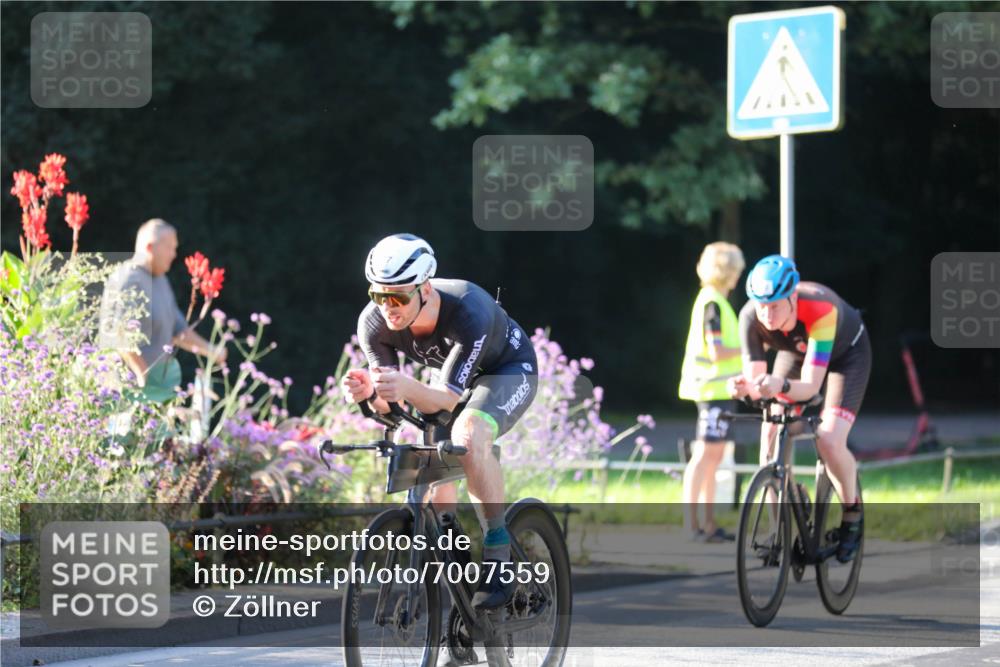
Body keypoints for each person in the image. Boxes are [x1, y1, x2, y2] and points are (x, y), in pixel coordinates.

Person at [341, 234, 538, 615]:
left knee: (469, 434)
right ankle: (459, 590)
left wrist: (408, 387)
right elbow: (393, 405)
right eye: (378, 295)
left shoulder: (468, 308)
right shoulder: (374, 323)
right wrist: (369, 393)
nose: (387, 308)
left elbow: (448, 399)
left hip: (506, 371)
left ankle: (498, 551)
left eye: (397, 297)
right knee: (433, 469)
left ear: (425, 289)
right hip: (453, 379)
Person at [728, 255, 871, 563]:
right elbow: (757, 382)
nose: (766, 313)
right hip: (796, 353)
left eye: (776, 305)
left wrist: (777, 384)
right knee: (770, 433)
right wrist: (745, 388)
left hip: (846, 358)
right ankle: (780, 522)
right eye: (761, 304)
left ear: (792, 296)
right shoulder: (750, 316)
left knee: (830, 439)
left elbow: (808, 384)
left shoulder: (820, 309)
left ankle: (853, 513)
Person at [100, 218, 225, 386]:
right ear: (150, 247)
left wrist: (211, 351)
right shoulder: (127, 280)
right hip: (126, 390)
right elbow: (119, 335)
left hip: (155, 389)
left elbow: (178, 330)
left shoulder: (161, 280)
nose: (174, 254)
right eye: (169, 248)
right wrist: (143, 376)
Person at [678, 242, 744, 543]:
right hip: (712, 389)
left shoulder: (714, 300)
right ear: (729, 270)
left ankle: (707, 523)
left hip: (719, 390)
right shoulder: (713, 304)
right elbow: (717, 352)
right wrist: (750, 348)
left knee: (712, 457)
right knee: (705, 454)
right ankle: (693, 524)